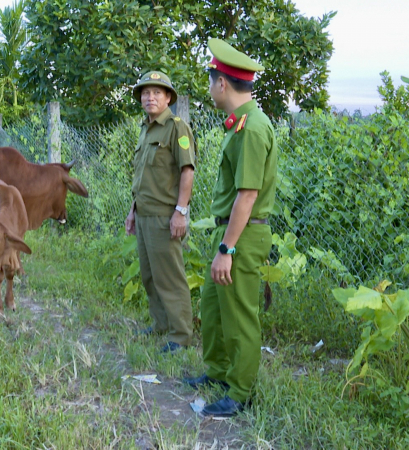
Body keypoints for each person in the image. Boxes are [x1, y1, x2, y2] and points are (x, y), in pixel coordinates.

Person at [183, 39, 278, 417]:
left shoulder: (252, 129)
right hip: (233, 231)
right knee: (212, 302)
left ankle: (239, 392)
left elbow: (247, 196)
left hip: (243, 233)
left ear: (222, 84)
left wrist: (227, 250)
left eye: (210, 81)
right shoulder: (241, 124)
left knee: (238, 313)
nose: (209, 89)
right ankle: (219, 372)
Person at [124, 71, 196, 353]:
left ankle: (181, 336)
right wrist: (132, 211)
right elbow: (142, 176)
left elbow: (187, 172)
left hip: (165, 217)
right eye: (145, 93)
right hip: (143, 214)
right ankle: (161, 325)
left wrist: (181, 212)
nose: (149, 97)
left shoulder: (177, 128)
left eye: (156, 92)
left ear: (168, 98)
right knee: (150, 275)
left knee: (170, 277)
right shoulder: (146, 128)